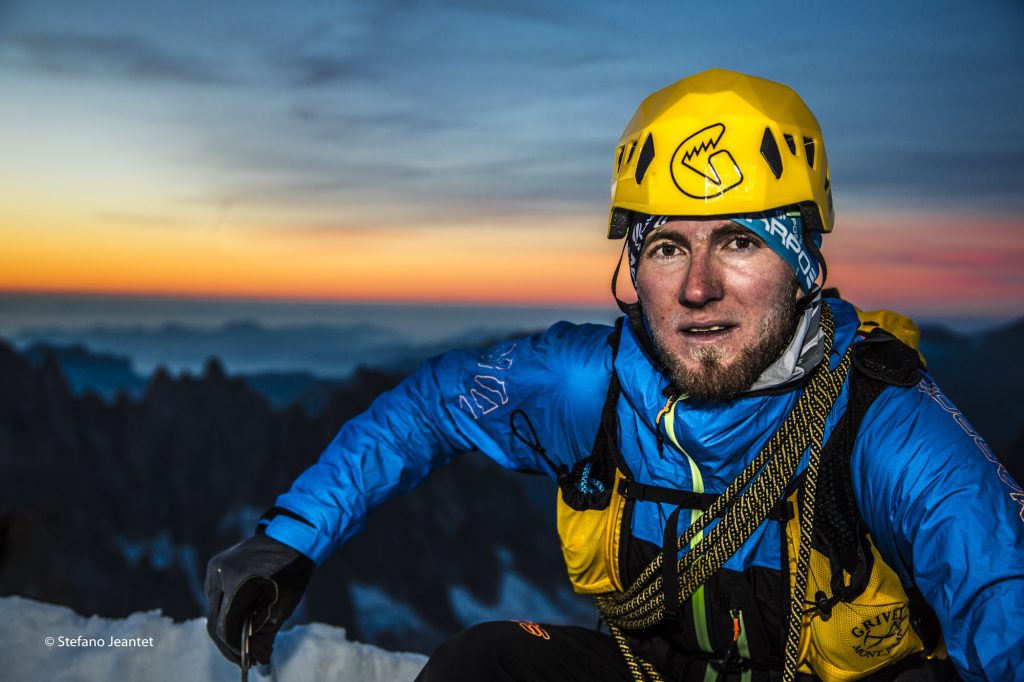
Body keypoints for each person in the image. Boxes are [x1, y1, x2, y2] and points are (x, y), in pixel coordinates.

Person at [204, 69, 1024, 681]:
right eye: (668, 246)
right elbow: (430, 409)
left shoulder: (886, 427)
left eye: (739, 241)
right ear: (635, 267)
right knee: (483, 667)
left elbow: (1001, 590)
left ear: (805, 265)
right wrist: (290, 540)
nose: (698, 287)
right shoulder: (589, 387)